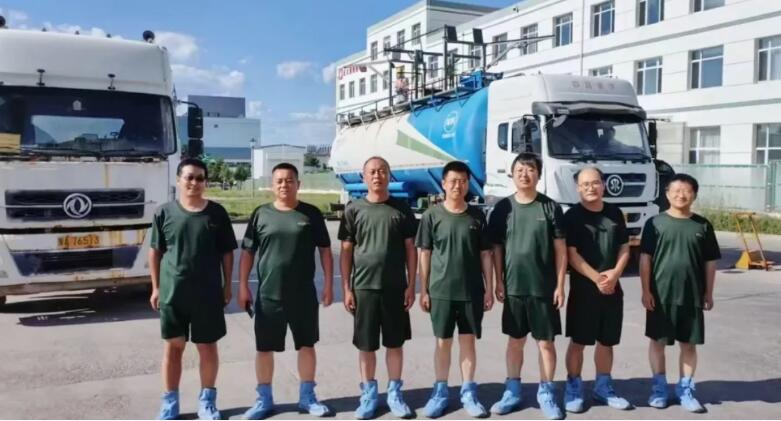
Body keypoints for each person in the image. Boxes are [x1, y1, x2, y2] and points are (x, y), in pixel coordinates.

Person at [238, 162, 334, 419]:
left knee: (306, 345)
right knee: (264, 349)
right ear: (272, 185)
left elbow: (325, 251)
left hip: (303, 296)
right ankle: (264, 399)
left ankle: (307, 397)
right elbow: (247, 252)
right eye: (279, 181)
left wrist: (328, 285)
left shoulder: (311, 214)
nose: (284, 185)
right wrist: (243, 286)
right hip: (269, 295)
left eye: (289, 180)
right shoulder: (261, 214)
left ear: (298, 184)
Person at [149, 158, 237, 420]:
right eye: (189, 177)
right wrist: (156, 288)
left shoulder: (216, 214)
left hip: (208, 294)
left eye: (200, 178)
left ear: (205, 182)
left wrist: (227, 285)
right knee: (173, 347)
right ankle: (170, 403)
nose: (195, 183)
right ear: (179, 180)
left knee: (207, 347)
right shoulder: (164, 213)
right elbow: (155, 252)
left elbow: (227, 253)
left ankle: (207, 402)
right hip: (173, 293)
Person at [488, 152, 567, 420]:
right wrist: (499, 281)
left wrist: (560, 285)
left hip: (543, 289)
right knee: (515, 342)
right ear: (512, 174)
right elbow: (496, 248)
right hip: (514, 288)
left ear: (538, 175)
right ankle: (512, 390)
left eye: (530, 169)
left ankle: (546, 392)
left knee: (546, 343)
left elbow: (561, 250)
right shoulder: (503, 208)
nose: (525, 174)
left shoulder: (550, 207)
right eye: (520, 169)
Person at [338, 156, 417, 419]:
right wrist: (347, 288)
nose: (377, 176)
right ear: (363, 177)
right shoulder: (353, 210)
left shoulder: (401, 209)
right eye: (372, 172)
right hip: (364, 289)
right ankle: (369, 395)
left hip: (395, 288)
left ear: (389, 176)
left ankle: (394, 393)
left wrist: (411, 285)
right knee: (366, 345)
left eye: (382, 171)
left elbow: (410, 249)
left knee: (395, 343)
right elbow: (346, 251)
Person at [416, 161, 494, 418]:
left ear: (468, 184)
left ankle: (468, 392)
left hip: (471, 291)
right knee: (443, 342)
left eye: (462, 181)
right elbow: (425, 254)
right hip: (441, 291)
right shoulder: (431, 216)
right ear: (443, 183)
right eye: (453, 181)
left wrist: (489, 288)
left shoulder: (477, 216)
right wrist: (423, 289)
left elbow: (485, 254)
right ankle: (440, 392)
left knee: (468, 341)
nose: (457, 186)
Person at [640, 173, 720, 413]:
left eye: (686, 191)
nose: (681, 195)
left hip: (691, 295)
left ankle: (685, 390)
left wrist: (708, 292)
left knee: (689, 345)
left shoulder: (702, 225)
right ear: (667, 194)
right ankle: (659, 389)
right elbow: (645, 259)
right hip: (660, 295)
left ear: (694, 195)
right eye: (675, 190)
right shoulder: (655, 223)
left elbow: (710, 262)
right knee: (658, 342)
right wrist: (646, 291)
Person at [562, 166, 632, 413]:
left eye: (595, 183)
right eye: (585, 184)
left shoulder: (615, 213)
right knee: (578, 341)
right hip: (584, 290)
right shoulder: (572, 216)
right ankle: (573, 388)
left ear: (603, 185)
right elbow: (571, 254)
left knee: (607, 341)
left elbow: (625, 247)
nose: (590, 188)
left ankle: (603, 388)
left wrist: (615, 273)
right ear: (578, 188)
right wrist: (597, 279)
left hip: (612, 288)